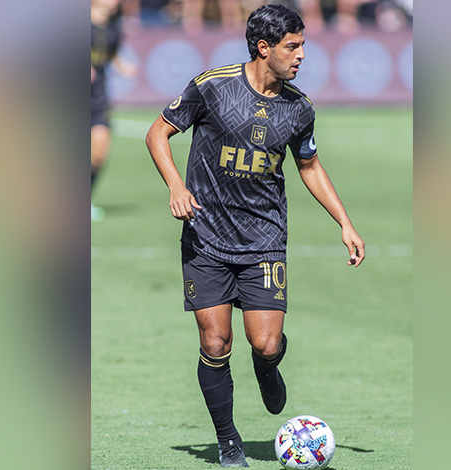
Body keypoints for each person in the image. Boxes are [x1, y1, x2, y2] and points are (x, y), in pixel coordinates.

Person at [145, 4, 365, 468]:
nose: (302, 55)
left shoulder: (299, 107)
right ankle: (229, 442)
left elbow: (310, 166)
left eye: (302, 45)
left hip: (263, 239)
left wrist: (344, 222)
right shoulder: (213, 86)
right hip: (205, 236)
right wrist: (176, 186)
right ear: (264, 48)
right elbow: (157, 134)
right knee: (215, 343)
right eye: (293, 46)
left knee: (264, 344)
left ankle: (267, 367)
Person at [91, 0, 135, 221]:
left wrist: (122, 66)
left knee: (99, 152)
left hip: (98, 96)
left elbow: (112, 54)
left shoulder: (114, 28)